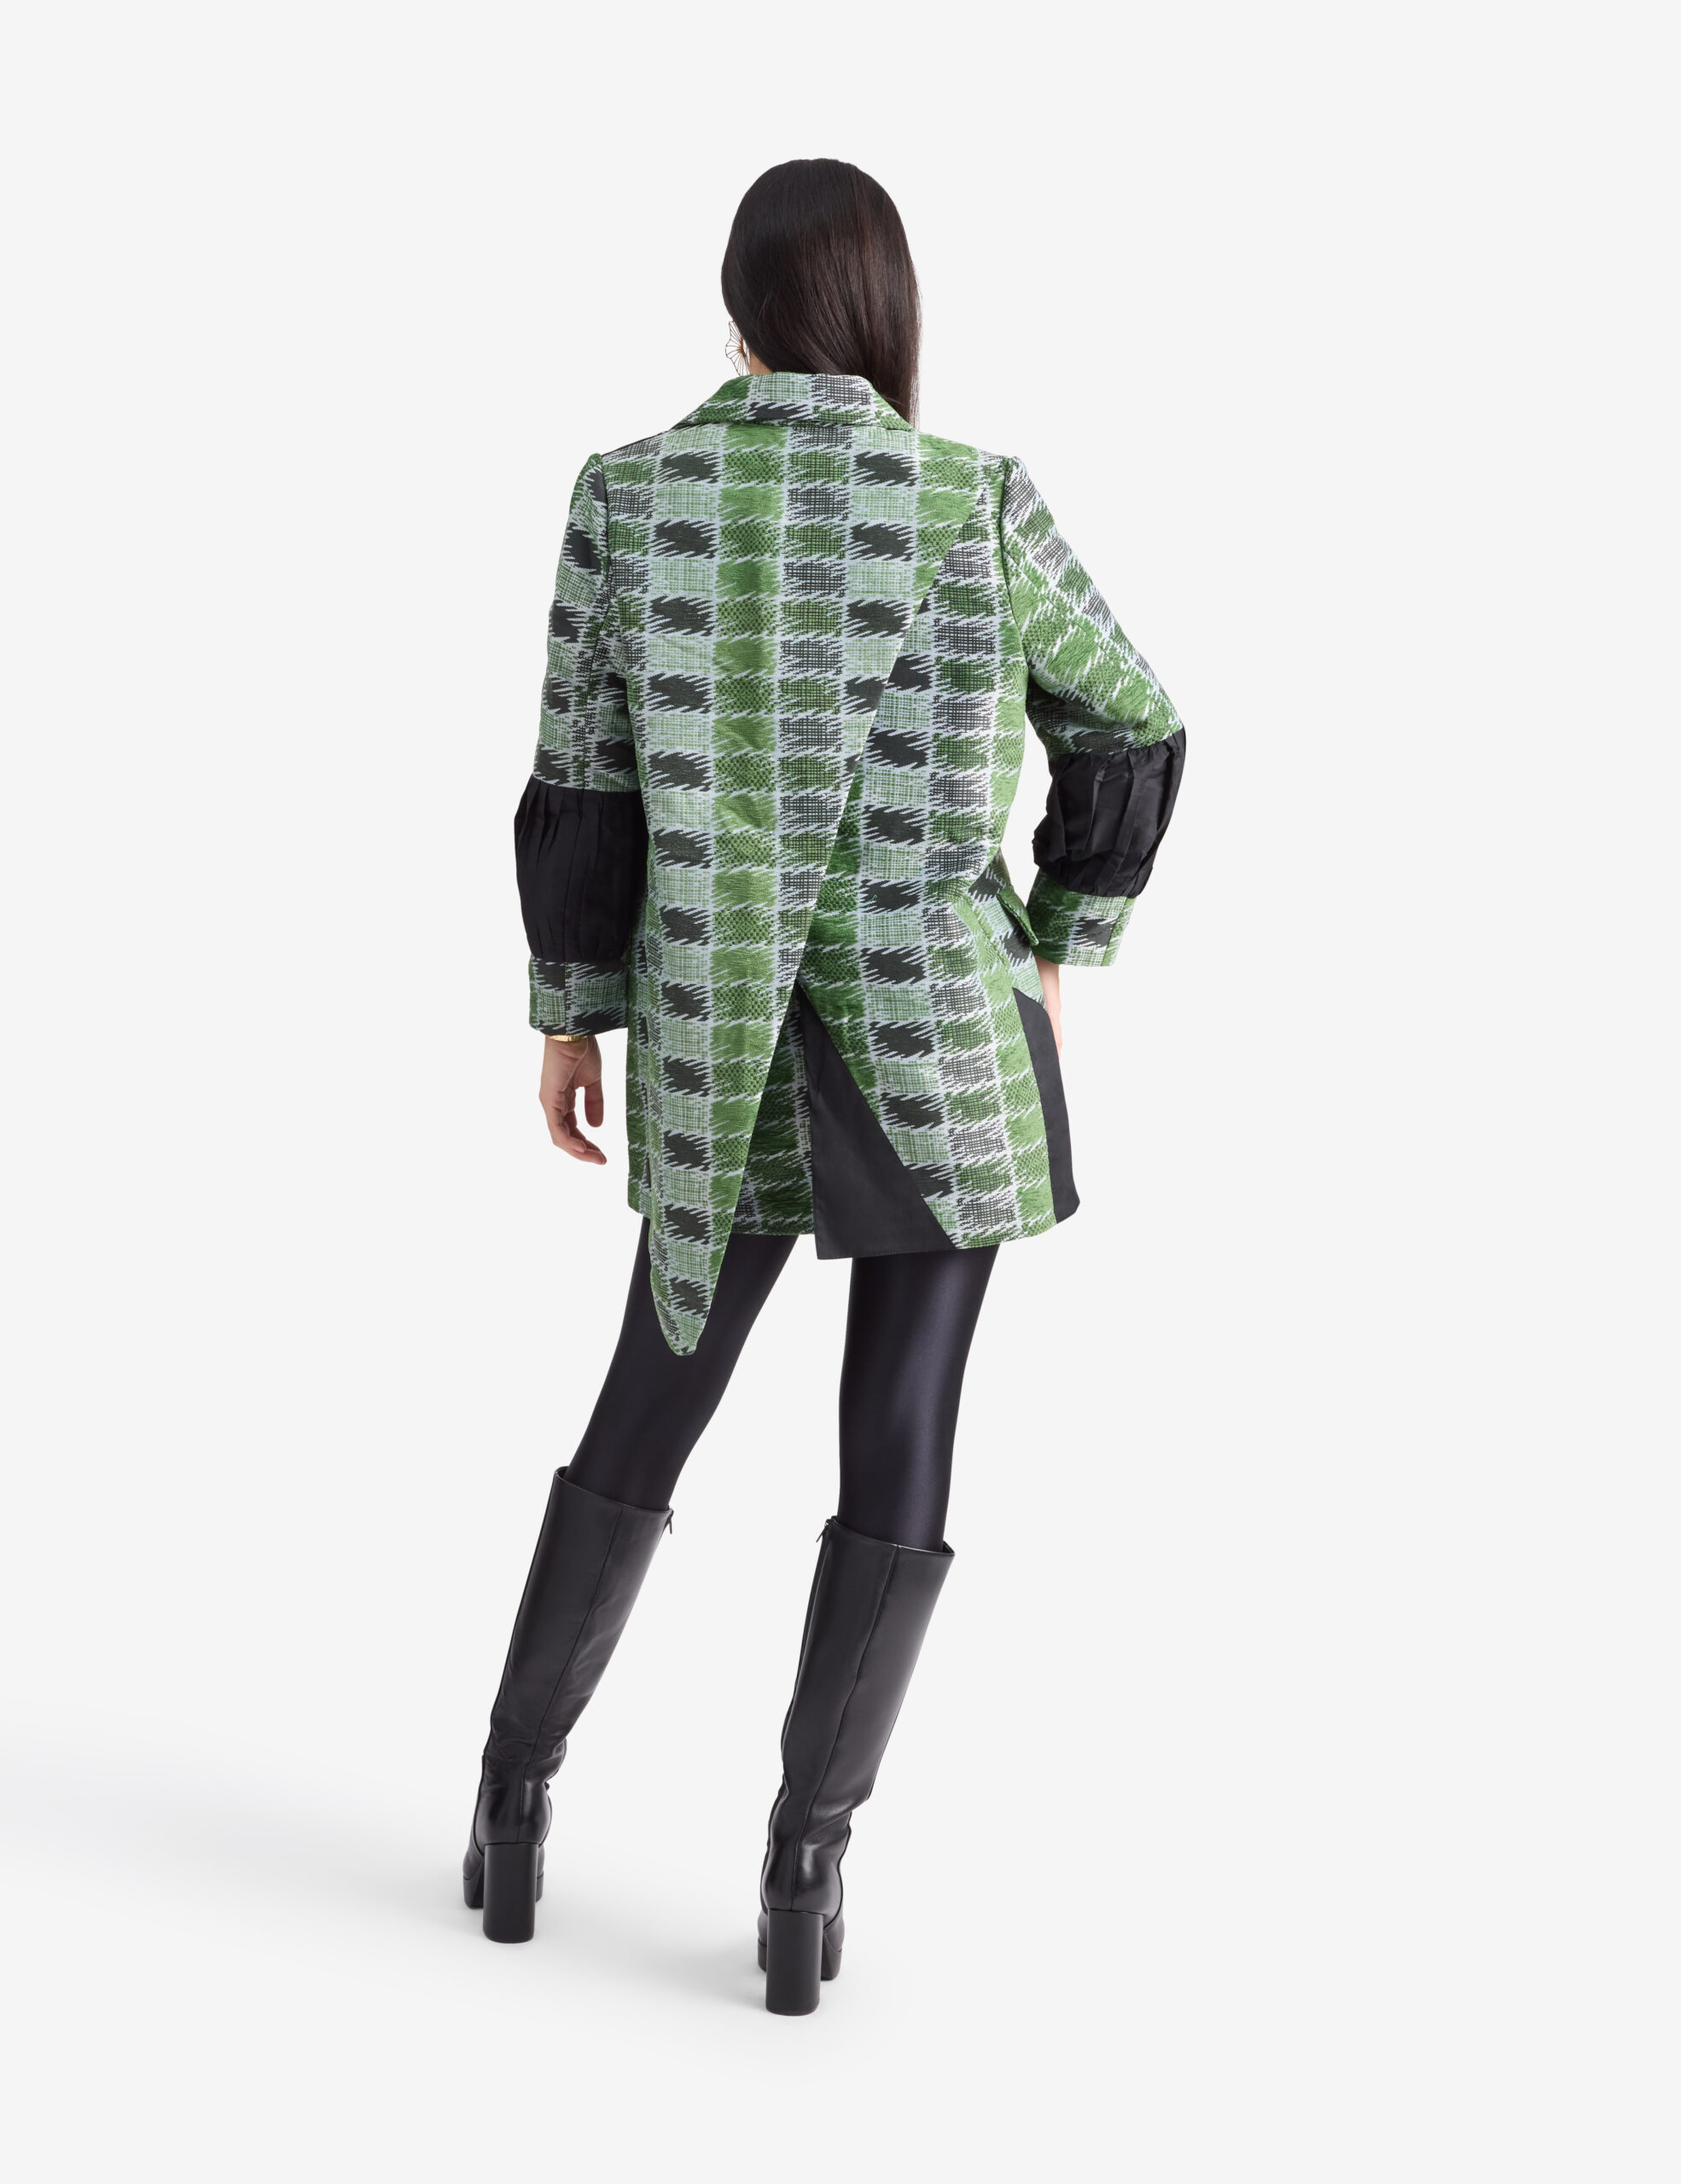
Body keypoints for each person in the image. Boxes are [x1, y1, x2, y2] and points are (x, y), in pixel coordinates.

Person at [465, 158, 1187, 2014]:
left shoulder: (627, 494)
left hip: (715, 1033)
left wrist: (570, 1012)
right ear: (884, 309)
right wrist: (1060, 939)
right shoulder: (972, 498)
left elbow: (580, 776)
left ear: (737, 311)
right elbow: (1133, 714)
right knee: (903, 1431)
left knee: (646, 1404)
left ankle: (511, 1803)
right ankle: (805, 1872)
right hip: (943, 1038)